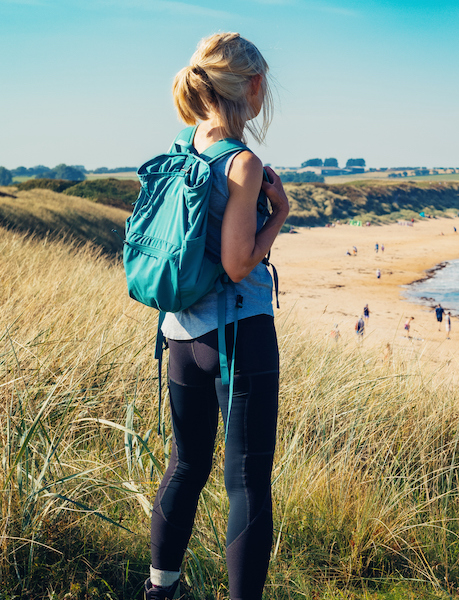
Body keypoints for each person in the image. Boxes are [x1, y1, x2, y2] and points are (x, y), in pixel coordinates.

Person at [146, 33, 288, 600]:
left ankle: (162, 590)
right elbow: (236, 264)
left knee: (186, 465)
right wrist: (279, 214)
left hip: (178, 334)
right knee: (248, 480)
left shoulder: (183, 147)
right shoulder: (242, 162)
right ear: (251, 86)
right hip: (238, 335)